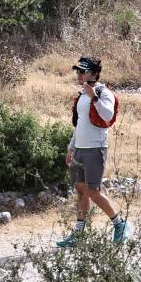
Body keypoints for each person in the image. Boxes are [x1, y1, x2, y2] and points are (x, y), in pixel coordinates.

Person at [57, 55, 129, 248]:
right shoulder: (82, 94)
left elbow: (108, 115)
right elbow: (80, 123)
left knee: (93, 191)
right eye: (78, 71)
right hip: (80, 149)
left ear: (95, 74)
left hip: (95, 149)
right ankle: (79, 235)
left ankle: (119, 224)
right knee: (81, 191)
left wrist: (94, 97)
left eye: (83, 71)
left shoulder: (103, 93)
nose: (79, 74)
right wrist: (71, 147)